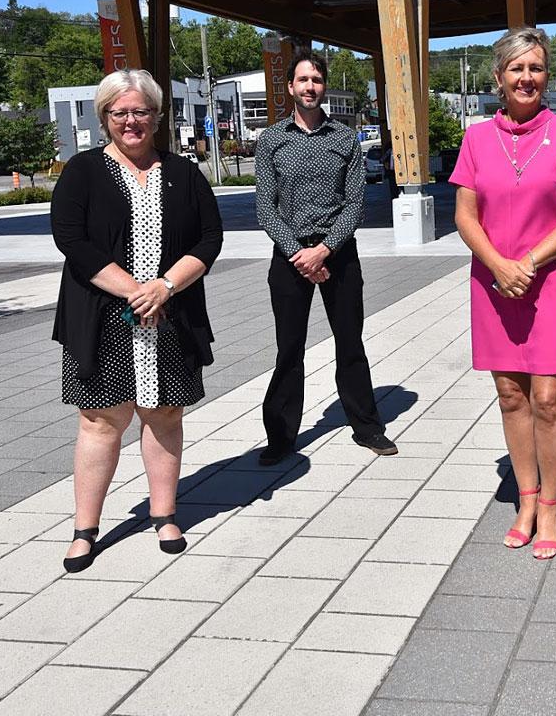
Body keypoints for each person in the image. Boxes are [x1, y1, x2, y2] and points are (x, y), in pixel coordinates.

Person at [50, 68, 223, 574]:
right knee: (101, 420)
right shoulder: (82, 171)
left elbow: (209, 238)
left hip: (172, 316)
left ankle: (165, 515)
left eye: (140, 111)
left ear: (156, 116)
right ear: (105, 117)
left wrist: (164, 287)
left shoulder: (184, 173)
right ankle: (85, 528)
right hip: (103, 316)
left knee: (165, 414)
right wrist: (133, 290)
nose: (131, 121)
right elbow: (71, 239)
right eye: (120, 112)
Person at [450, 26, 556, 559]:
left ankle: (554, 506)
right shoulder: (474, 139)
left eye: (535, 68)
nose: (526, 77)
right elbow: (465, 215)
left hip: (555, 278)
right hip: (493, 280)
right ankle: (527, 498)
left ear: (547, 76)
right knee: (511, 394)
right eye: (516, 68)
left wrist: (530, 262)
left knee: (548, 397)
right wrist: (498, 264)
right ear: (498, 78)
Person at [255, 48, 397, 465]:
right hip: (290, 256)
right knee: (289, 349)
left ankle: (367, 426)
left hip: (337, 254)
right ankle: (281, 437)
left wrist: (324, 250)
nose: (310, 87)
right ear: (290, 87)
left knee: (350, 342)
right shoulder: (272, 141)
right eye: (303, 80)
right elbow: (266, 207)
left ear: (324, 86)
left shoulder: (344, 139)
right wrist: (299, 253)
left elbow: (355, 204)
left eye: (316, 80)